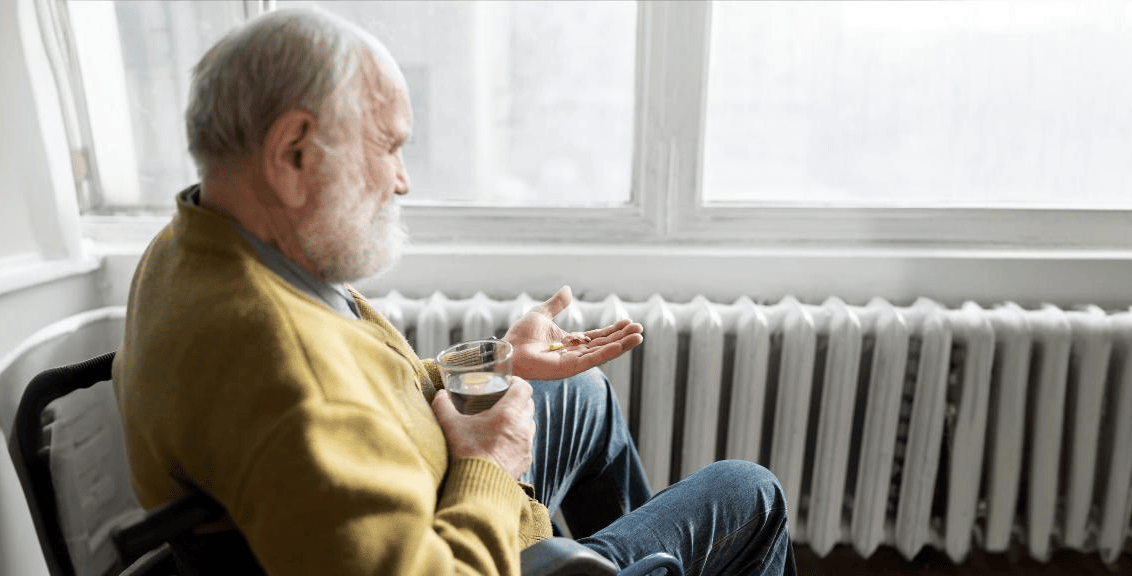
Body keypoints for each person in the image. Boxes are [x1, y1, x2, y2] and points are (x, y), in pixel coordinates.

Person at [114, 7, 791, 575]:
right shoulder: (288, 377)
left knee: (582, 395)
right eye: (389, 145)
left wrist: (496, 365)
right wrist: (490, 458)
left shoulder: (199, 243)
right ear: (294, 153)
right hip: (463, 540)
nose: (402, 181)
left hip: (433, 489)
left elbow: (369, 390)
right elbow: (328, 405)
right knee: (750, 492)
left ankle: (593, 557)